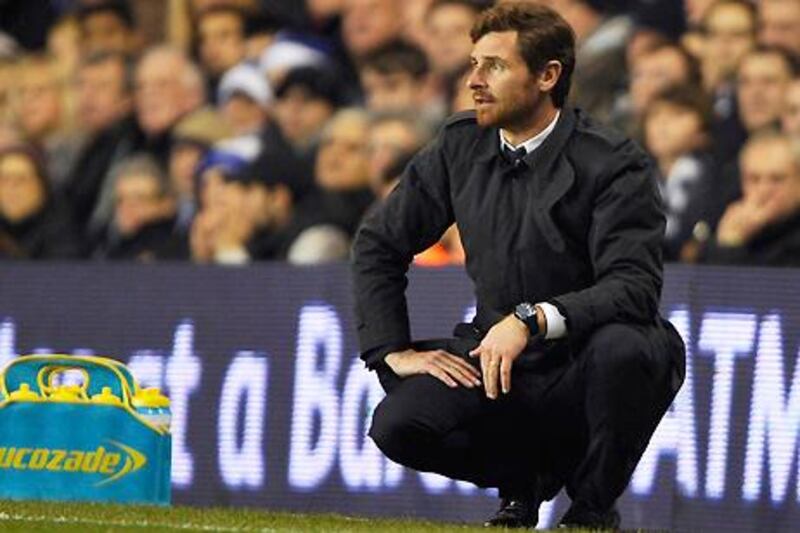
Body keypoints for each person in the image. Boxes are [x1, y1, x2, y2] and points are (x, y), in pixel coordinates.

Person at [351, 2, 685, 529]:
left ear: (548, 76)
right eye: (473, 63)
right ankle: (524, 480)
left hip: (585, 353)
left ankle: (592, 509)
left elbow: (635, 287)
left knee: (629, 347)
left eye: (495, 67)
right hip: (497, 355)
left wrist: (532, 319)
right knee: (398, 425)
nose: (474, 81)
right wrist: (392, 349)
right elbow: (377, 243)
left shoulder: (614, 162)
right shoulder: (460, 146)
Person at [700, 131, 800, 266]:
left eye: (777, 179)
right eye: (754, 179)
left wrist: (730, 247)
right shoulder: (730, 220)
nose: (763, 190)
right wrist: (727, 242)